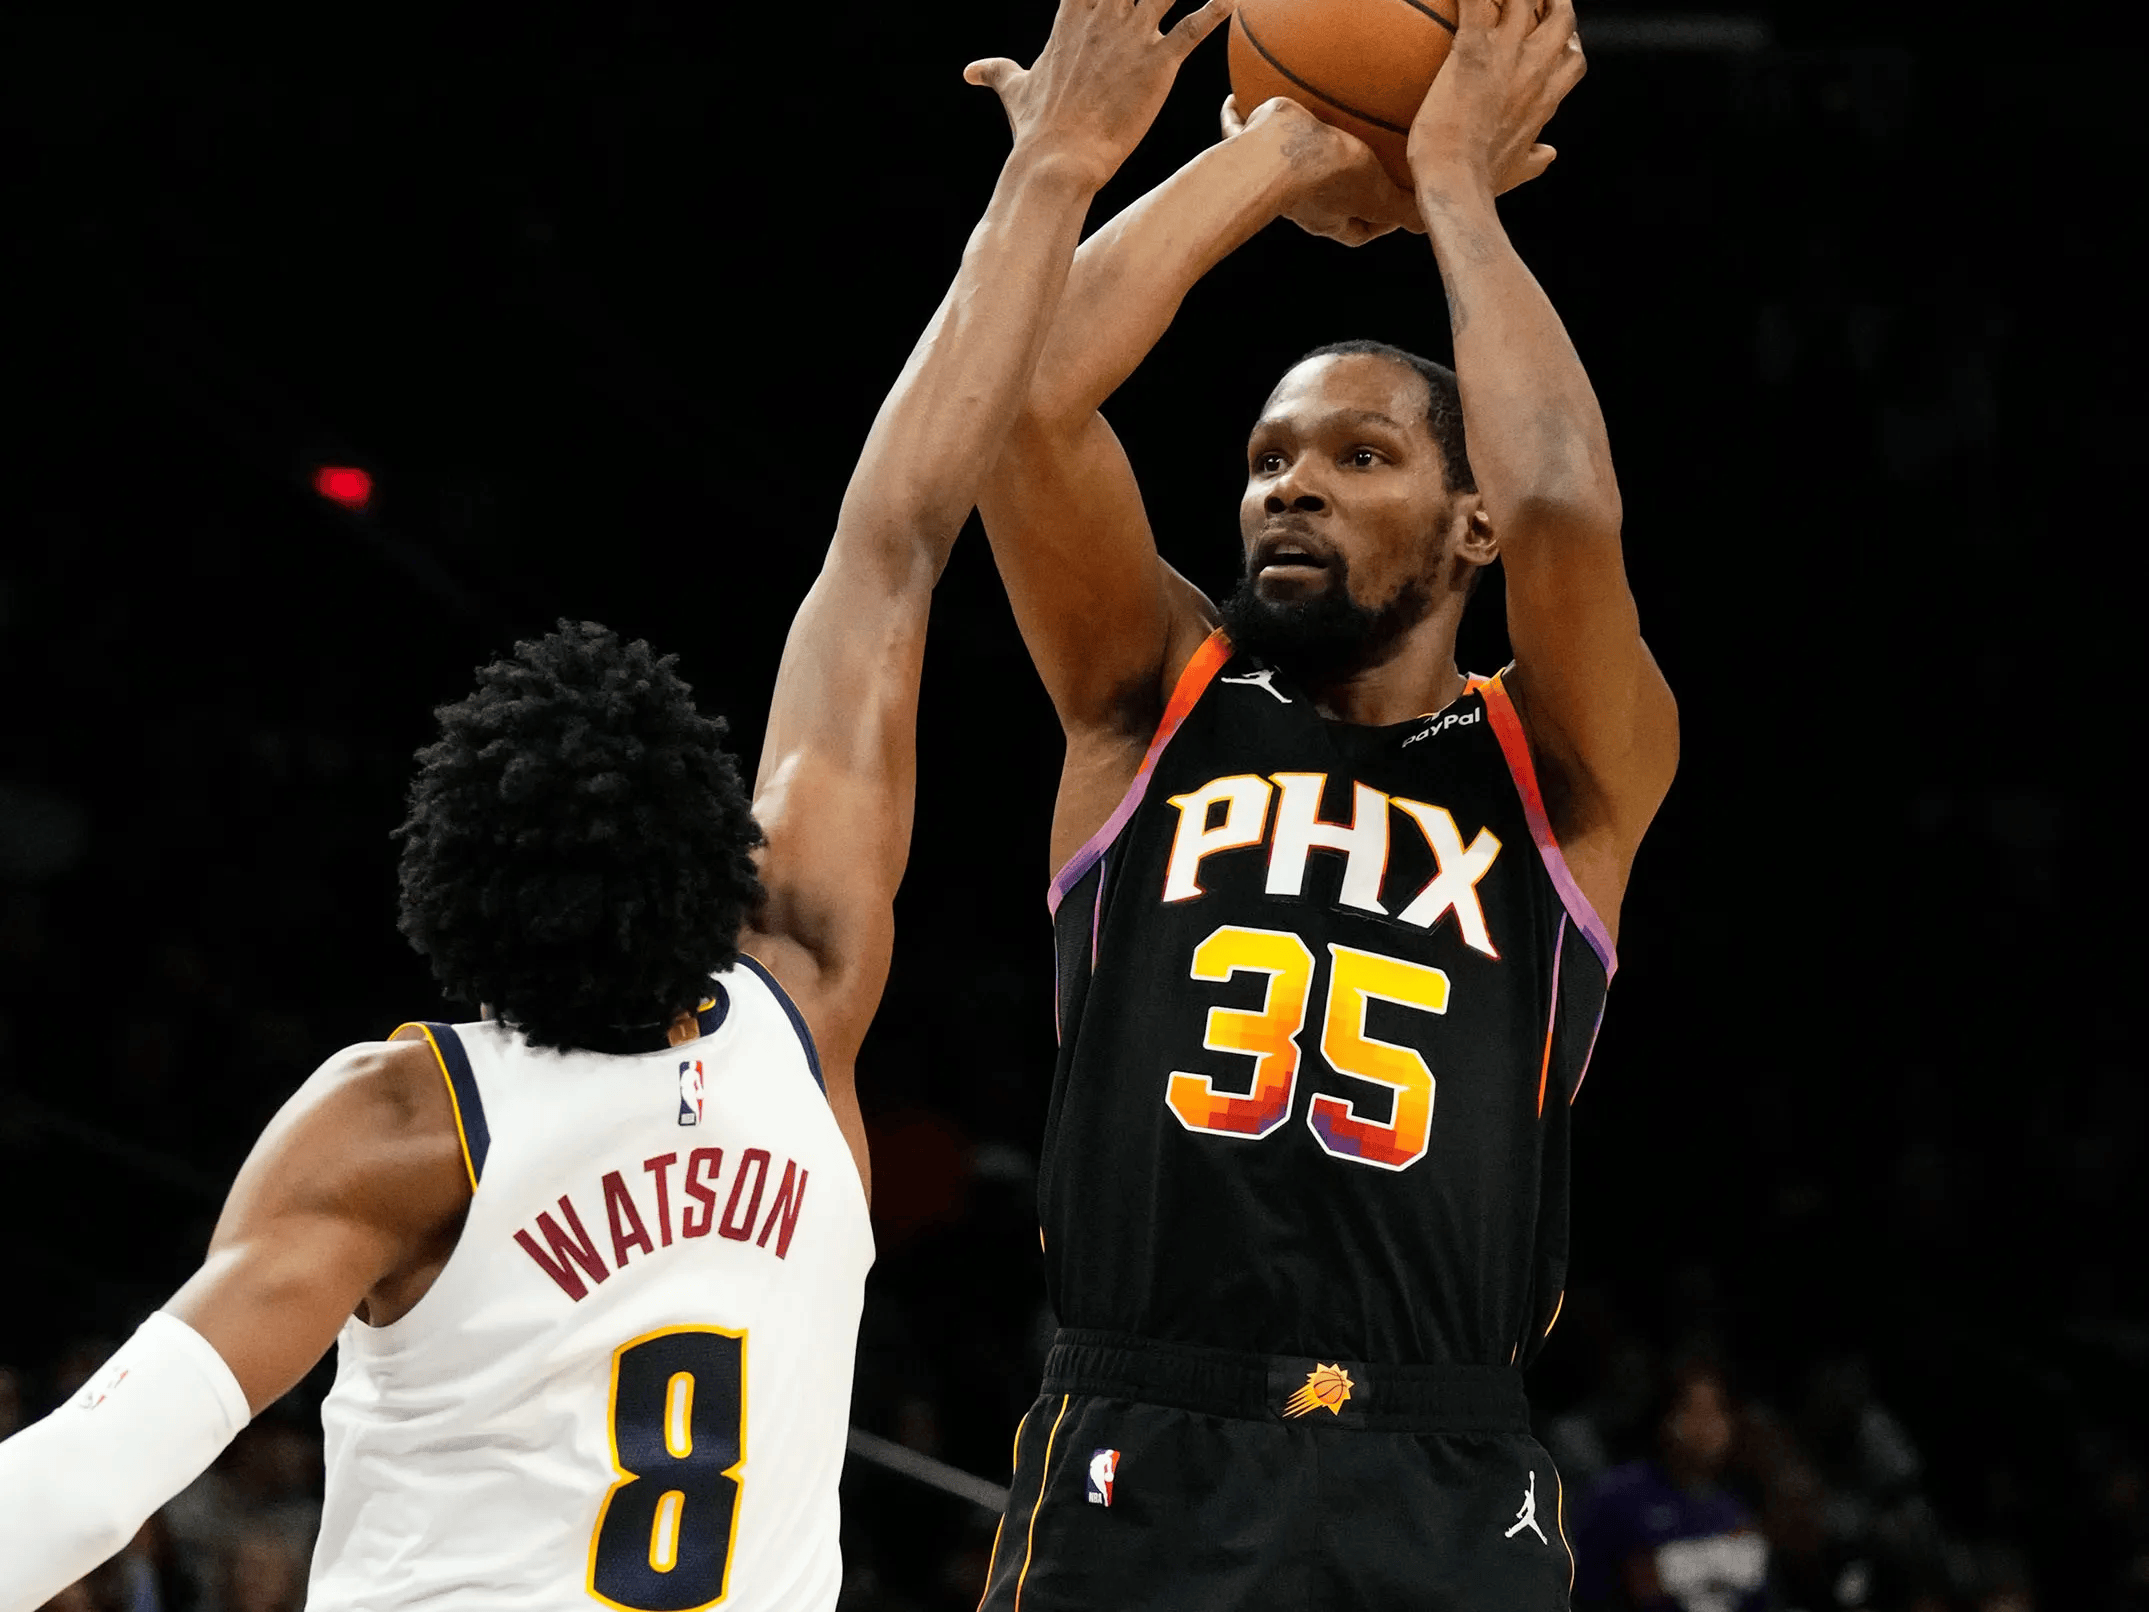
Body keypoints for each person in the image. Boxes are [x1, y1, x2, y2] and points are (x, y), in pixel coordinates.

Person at [0, 0, 1232, 1604]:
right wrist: (1051, 171)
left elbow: (87, 1480)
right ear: (716, 860)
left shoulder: (401, 1124)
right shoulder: (804, 993)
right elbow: (894, 540)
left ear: (453, 906)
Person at [971, 0, 1678, 1605]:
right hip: (1143, 1423)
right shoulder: (1149, 696)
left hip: (1440, 1455)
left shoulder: (1565, 767)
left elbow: (1568, 502)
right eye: (1268, 457)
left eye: (1361, 457)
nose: (1290, 483)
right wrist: (1283, 149)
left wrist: (1452, 188)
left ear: (1470, 525)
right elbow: (1024, 402)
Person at [1572, 1361, 1770, 1611]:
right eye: (1694, 1411)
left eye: (1717, 1412)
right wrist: (1717, 1559)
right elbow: (1593, 1586)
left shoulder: (1736, 1507)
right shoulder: (1618, 1495)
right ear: (1666, 1418)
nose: (1706, 1427)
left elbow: (1757, 1593)